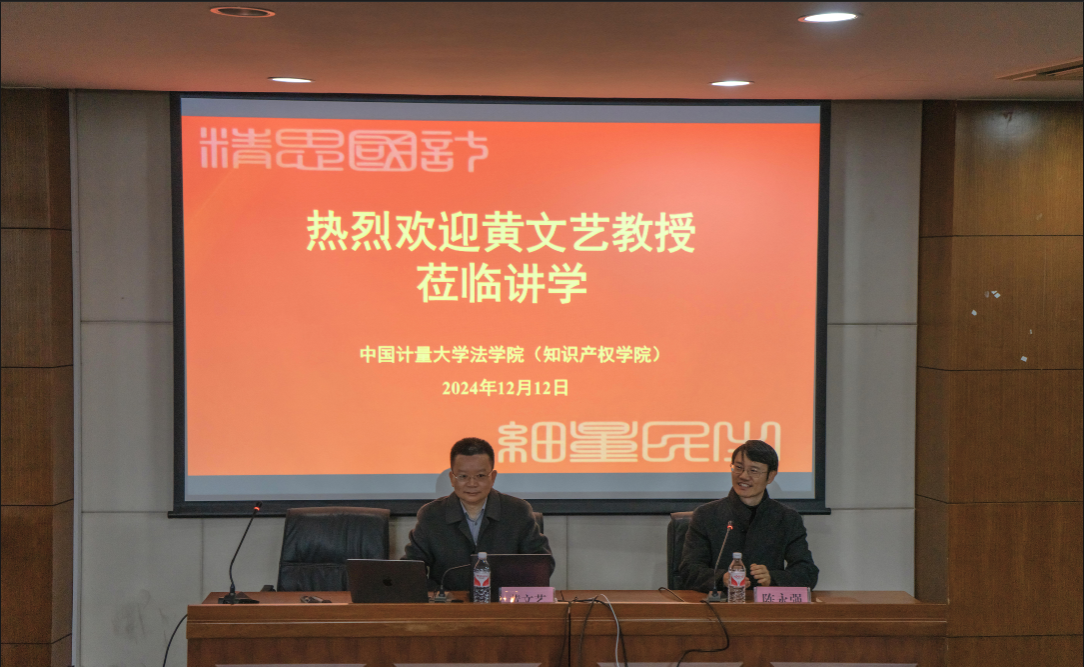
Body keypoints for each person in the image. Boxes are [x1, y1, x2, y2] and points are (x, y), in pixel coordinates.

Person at [403, 437, 554, 591]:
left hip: (502, 601)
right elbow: (410, 569)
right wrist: (439, 594)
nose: (472, 483)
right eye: (463, 476)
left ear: (492, 477)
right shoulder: (432, 515)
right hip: (449, 602)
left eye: (480, 476)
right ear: (452, 479)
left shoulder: (517, 511)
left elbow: (542, 564)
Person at [679, 439, 818, 592]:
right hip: (719, 603)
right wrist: (721, 578)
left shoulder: (787, 518)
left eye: (754, 470)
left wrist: (772, 578)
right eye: (738, 468)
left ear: (771, 476)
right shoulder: (706, 515)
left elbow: (807, 572)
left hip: (766, 605)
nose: (744, 476)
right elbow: (689, 570)